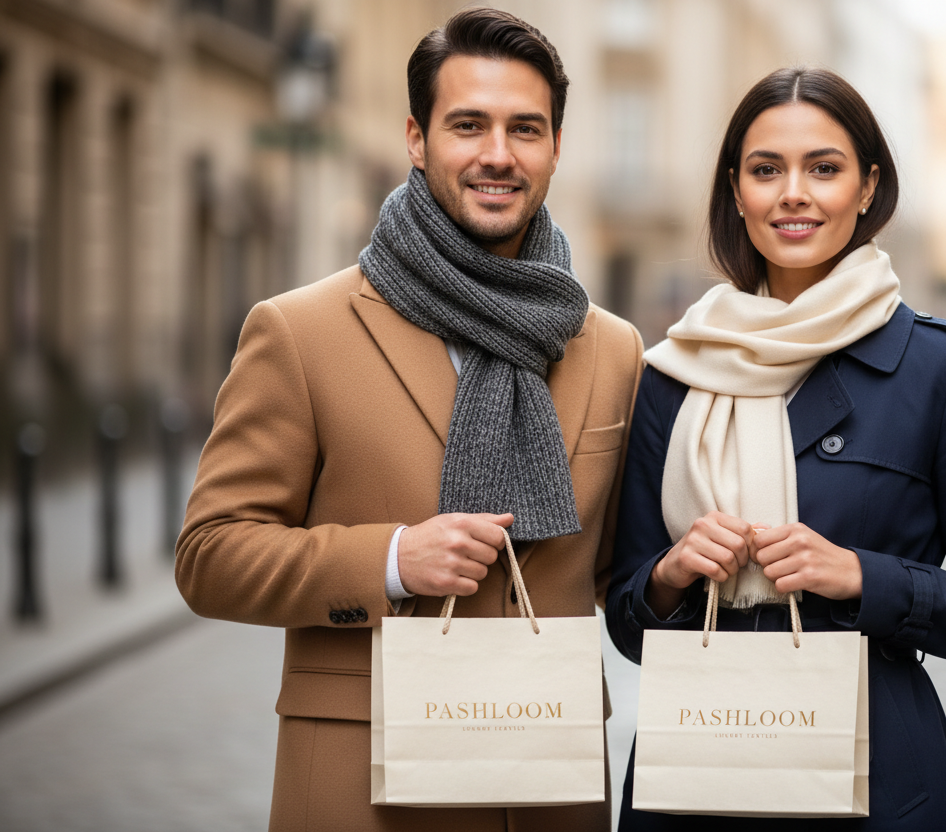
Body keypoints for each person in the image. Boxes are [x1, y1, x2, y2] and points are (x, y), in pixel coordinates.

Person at [176, 8, 643, 831]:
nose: (498, 154)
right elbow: (210, 556)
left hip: (548, 785)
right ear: (417, 139)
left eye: (524, 129)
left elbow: (619, 570)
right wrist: (392, 558)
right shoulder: (300, 331)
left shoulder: (613, 349)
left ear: (556, 148)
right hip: (363, 789)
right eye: (468, 124)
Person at [605, 67, 946, 831]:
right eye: (767, 169)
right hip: (697, 776)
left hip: (878, 782)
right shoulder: (671, 372)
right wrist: (672, 575)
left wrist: (860, 576)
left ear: (869, 187)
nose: (794, 193)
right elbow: (626, 620)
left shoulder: (943, 369)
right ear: (736, 192)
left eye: (825, 168)